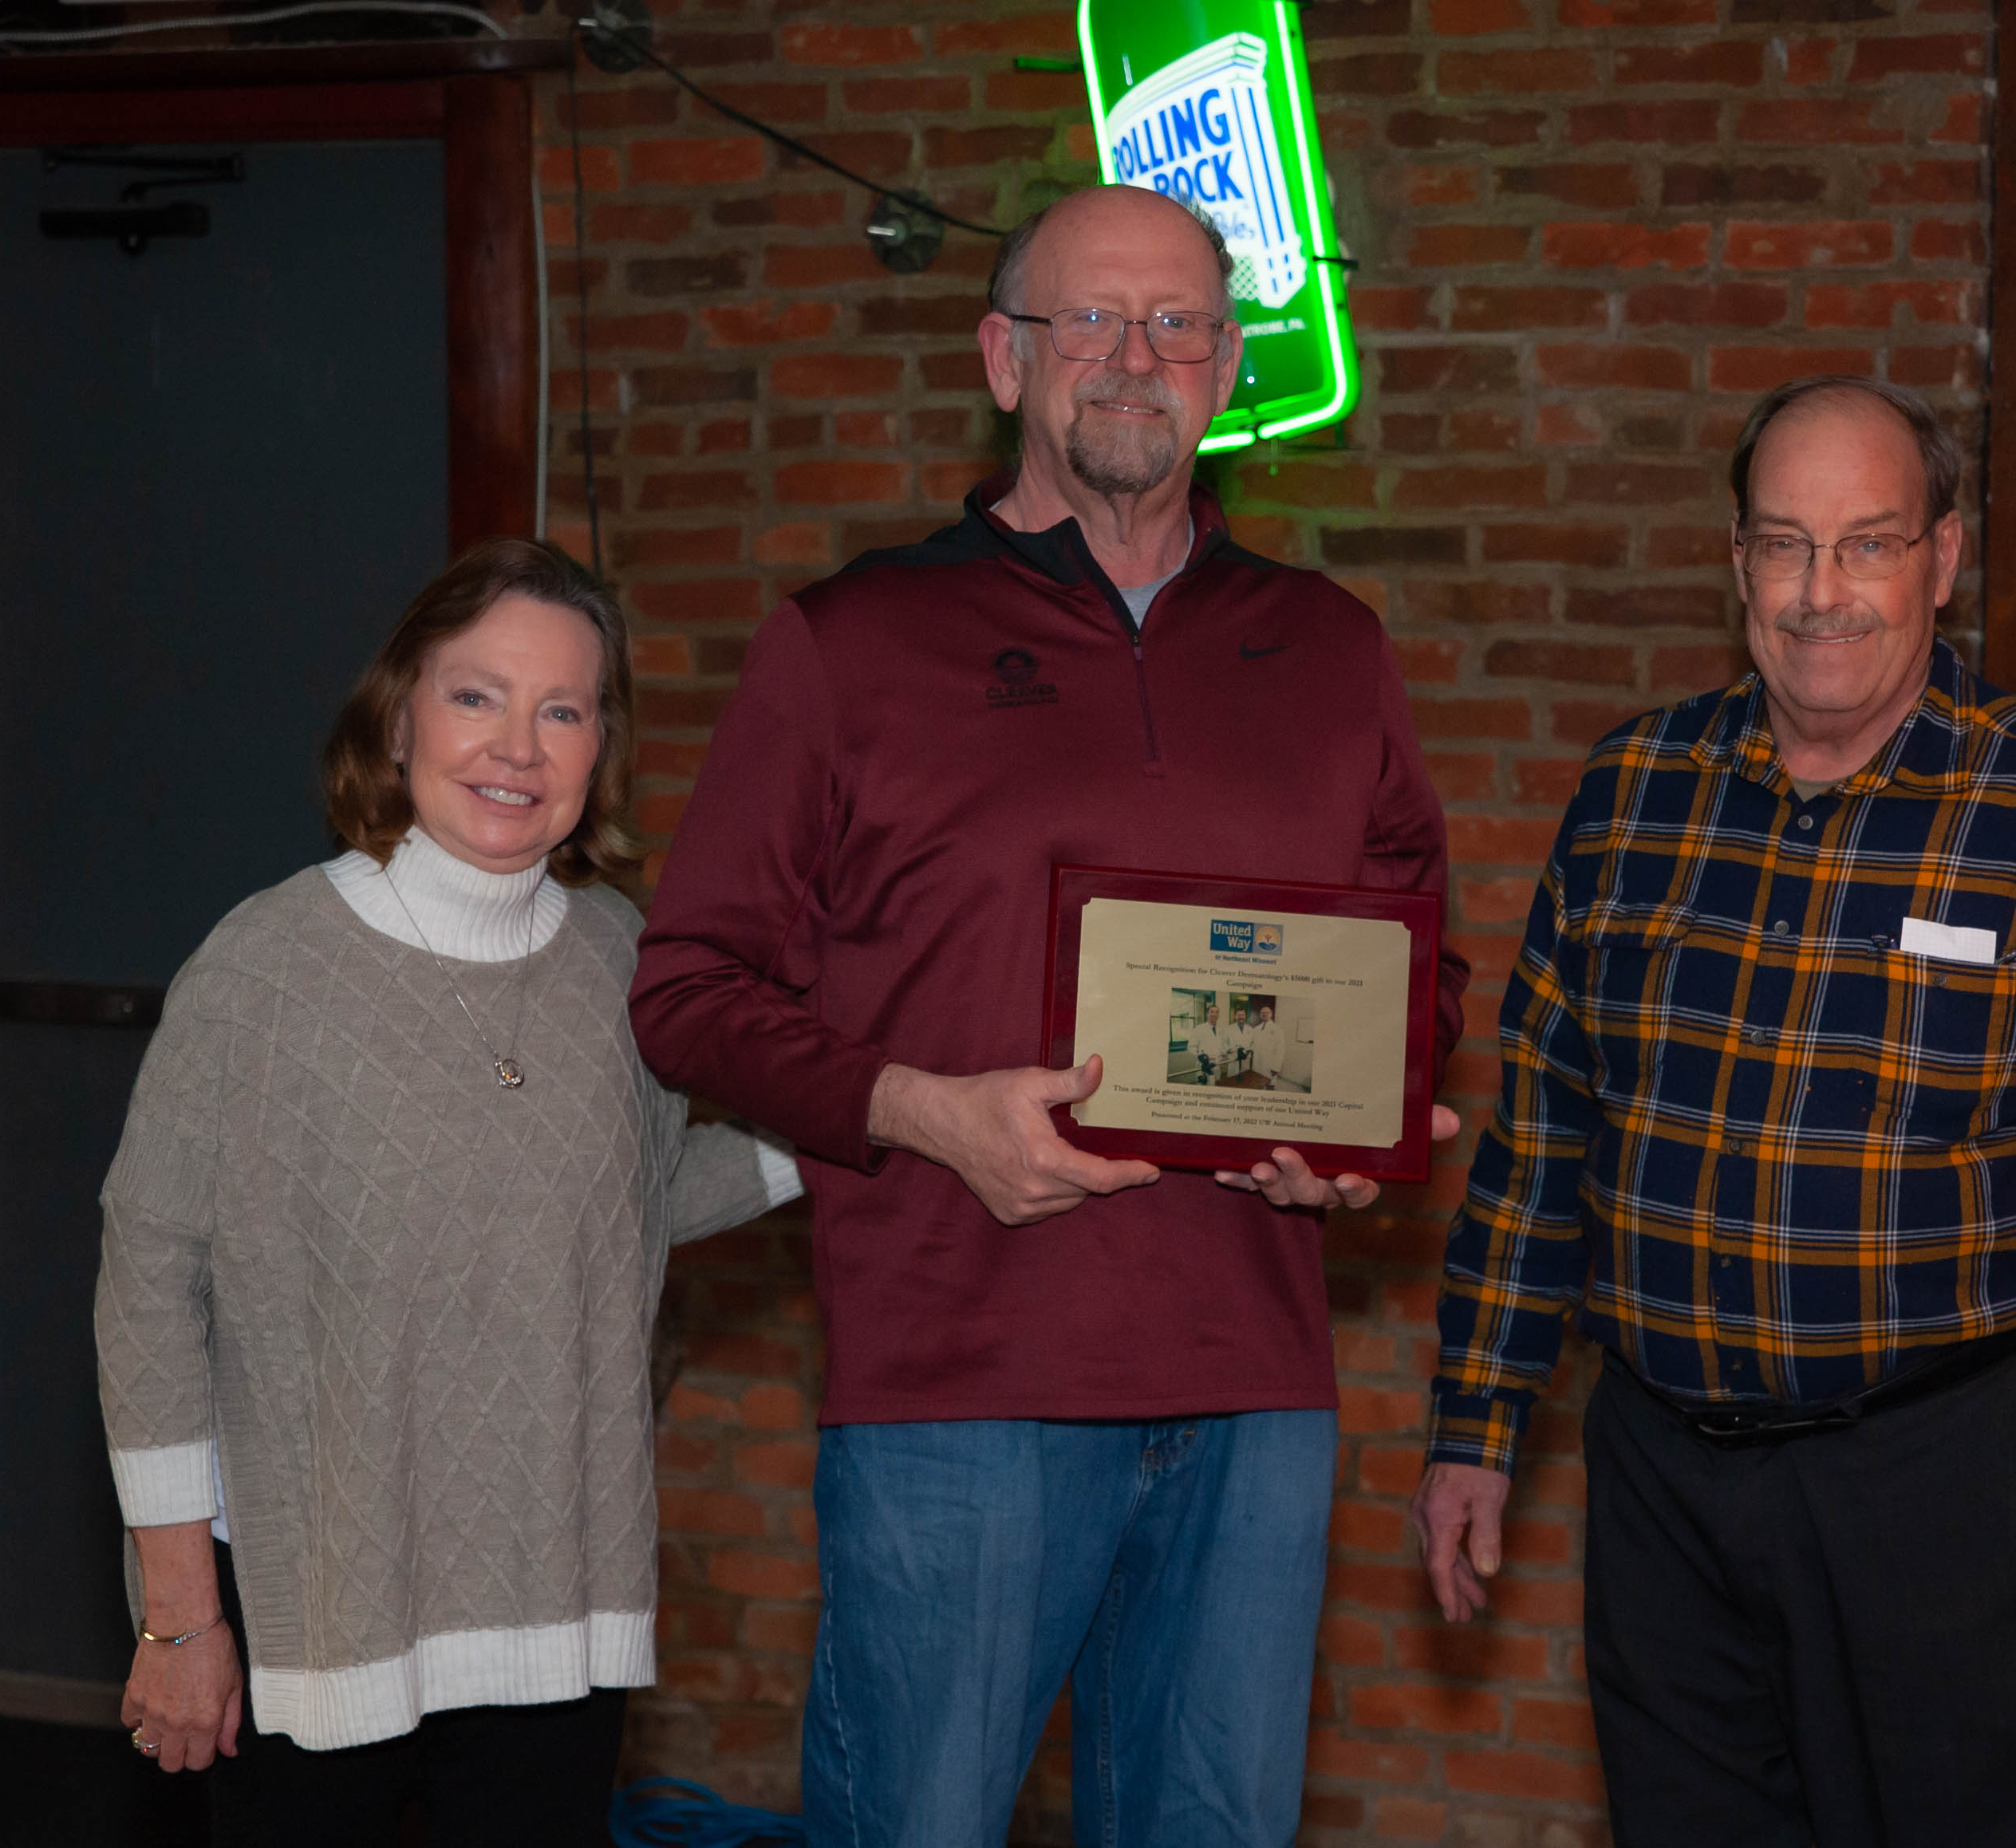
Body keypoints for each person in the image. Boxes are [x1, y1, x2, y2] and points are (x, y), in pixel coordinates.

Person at [628, 183, 1469, 1848]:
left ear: (1228, 366)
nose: (1130, 359)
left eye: (1171, 323)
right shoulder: (847, 644)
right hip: (958, 1385)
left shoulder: (1328, 649)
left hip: (1249, 1393)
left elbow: (1415, 968)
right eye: (1087, 320)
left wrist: (1361, 1133)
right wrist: (920, 1111)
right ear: (1004, 358)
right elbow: (685, 992)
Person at [1410, 376, 2016, 1846]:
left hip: (1945, 1492)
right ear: (1734, 562)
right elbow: (1539, 1147)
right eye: (1781, 545)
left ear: (1940, 557)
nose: (1819, 594)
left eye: (1863, 545)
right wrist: (1472, 1424)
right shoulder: (1628, 793)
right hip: (1663, 1488)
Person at [96, 540, 803, 1846]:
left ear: (600, 745)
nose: (516, 748)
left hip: (556, 1617)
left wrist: (840, 1131)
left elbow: (631, 1199)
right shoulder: (263, 965)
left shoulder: (623, 958)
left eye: (561, 709)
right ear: (401, 710)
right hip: (319, 1611)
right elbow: (148, 1283)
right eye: (478, 695)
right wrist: (180, 1609)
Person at [1187, 999, 1230, 1084]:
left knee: (1216, 1084)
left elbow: (1222, 1045)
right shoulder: (1199, 1029)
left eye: (1217, 1012)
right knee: (1203, 1087)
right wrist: (1201, 1056)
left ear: (1218, 1015)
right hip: (1203, 1065)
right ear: (1207, 1014)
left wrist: (1230, 1050)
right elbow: (1191, 1047)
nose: (1214, 1014)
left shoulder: (1220, 1029)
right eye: (1212, 1012)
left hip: (1216, 1064)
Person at [1248, 1003, 1287, 1088]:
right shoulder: (1256, 1029)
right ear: (1260, 1015)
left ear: (1271, 1014)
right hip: (1257, 1063)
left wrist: (1276, 1067)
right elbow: (1253, 1044)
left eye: (1267, 1012)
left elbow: (1280, 1049)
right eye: (1262, 1013)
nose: (1264, 1014)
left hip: (1270, 1064)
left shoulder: (1277, 1029)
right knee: (1258, 1083)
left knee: (1270, 1084)